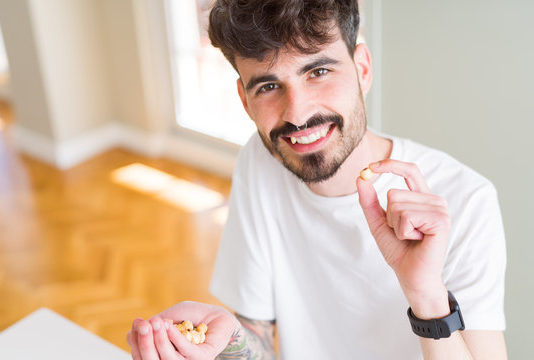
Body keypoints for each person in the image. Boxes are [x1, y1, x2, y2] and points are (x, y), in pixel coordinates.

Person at [127, 0, 507, 358]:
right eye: (269, 86)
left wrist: (426, 296)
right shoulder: (261, 162)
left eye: (318, 71)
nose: (297, 114)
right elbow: (256, 335)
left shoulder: (465, 200)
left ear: (362, 69)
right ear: (245, 101)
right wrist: (229, 340)